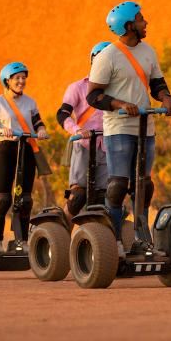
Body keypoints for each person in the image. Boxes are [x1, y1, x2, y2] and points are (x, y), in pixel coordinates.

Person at [86, 1, 171, 244]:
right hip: (119, 129)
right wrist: (120, 104)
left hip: (146, 127)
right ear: (128, 26)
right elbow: (93, 96)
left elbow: (157, 83)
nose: (145, 22)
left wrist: (167, 99)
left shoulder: (148, 51)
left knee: (144, 185)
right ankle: (114, 241)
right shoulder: (107, 57)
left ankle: (141, 237)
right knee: (118, 185)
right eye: (140, 19)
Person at [0, 61, 49, 251]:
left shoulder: (30, 102)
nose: (21, 81)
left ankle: (22, 242)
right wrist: (0, 131)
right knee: (3, 199)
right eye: (17, 78)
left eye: (23, 78)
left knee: (25, 200)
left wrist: (41, 131)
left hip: (26, 149)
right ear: (7, 81)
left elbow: (38, 122)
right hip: (6, 148)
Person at [56, 41, 111, 218]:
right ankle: (63, 230)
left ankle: (94, 233)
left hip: (107, 145)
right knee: (78, 196)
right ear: (93, 61)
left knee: (102, 197)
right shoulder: (78, 87)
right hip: (84, 144)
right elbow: (62, 114)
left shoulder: (118, 88)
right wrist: (77, 131)